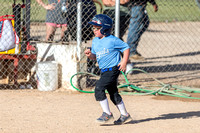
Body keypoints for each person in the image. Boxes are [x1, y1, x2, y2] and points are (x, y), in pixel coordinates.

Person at [84, 14, 132, 125]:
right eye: (93, 28)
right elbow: (95, 56)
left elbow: (126, 48)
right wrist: (90, 55)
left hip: (113, 69)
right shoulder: (96, 41)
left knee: (99, 88)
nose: (94, 30)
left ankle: (107, 114)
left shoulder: (113, 40)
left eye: (97, 28)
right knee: (113, 93)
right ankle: (125, 115)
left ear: (105, 28)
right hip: (104, 70)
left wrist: (124, 61)